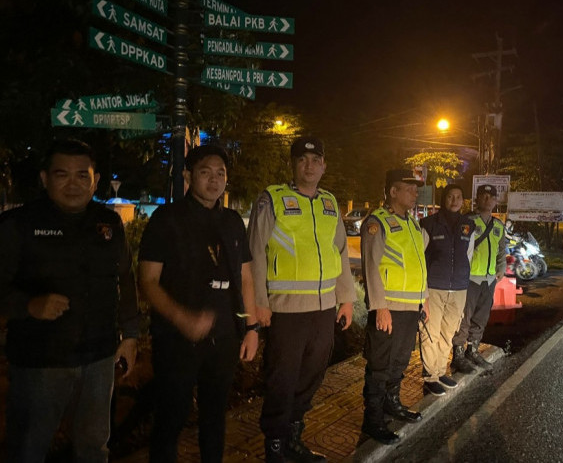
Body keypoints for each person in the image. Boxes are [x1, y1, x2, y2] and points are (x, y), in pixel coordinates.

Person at [0, 139, 140, 462]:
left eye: (82, 175)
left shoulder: (109, 224)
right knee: (28, 450)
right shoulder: (18, 226)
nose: (74, 184)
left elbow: (126, 279)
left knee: (94, 449)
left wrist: (131, 335)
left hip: (99, 359)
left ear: (96, 180)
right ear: (44, 178)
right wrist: (29, 305)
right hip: (40, 362)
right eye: (62, 175)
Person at [138, 145, 259, 463]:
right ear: (188, 176)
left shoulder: (233, 221)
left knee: (215, 417)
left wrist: (251, 327)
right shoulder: (167, 219)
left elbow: (245, 278)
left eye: (221, 173)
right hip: (176, 338)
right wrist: (183, 319)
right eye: (206, 172)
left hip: (225, 337)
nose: (215, 180)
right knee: (170, 418)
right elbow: (147, 281)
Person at [248, 136, 354, 463]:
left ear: (324, 165)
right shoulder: (272, 199)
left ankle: (293, 436)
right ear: (293, 164)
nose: (309, 166)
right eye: (302, 160)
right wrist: (259, 303)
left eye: (315, 160)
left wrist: (347, 299)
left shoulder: (329, 204)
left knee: (312, 374)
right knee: (282, 377)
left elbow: (340, 253)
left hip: (322, 309)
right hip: (285, 310)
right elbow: (254, 254)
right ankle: (275, 447)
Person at [360, 169, 429, 445]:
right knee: (379, 365)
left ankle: (392, 403)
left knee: (399, 360)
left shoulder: (412, 224)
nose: (415, 193)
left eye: (415, 189)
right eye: (409, 189)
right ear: (393, 192)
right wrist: (380, 307)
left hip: (410, 307)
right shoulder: (378, 223)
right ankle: (373, 420)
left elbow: (417, 266)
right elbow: (371, 267)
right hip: (388, 308)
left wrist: (423, 301)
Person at [419, 184, 476, 395]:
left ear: (463, 201)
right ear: (444, 199)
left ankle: (441, 371)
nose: (454, 200)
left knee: (448, 333)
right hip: (434, 287)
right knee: (430, 332)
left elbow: (467, 256)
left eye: (458, 197)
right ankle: (430, 376)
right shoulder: (429, 224)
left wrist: (463, 281)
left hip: (459, 288)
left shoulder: (468, 226)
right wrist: (422, 290)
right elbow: (420, 258)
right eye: (450, 196)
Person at [451, 184, 506, 372]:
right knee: (464, 317)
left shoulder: (498, 226)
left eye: (491, 197)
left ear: (496, 201)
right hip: (470, 279)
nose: (487, 200)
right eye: (483, 196)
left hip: (489, 280)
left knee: (481, 318)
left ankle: (472, 350)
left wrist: (501, 268)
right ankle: (457, 355)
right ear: (477, 199)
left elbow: (501, 251)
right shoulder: (467, 221)